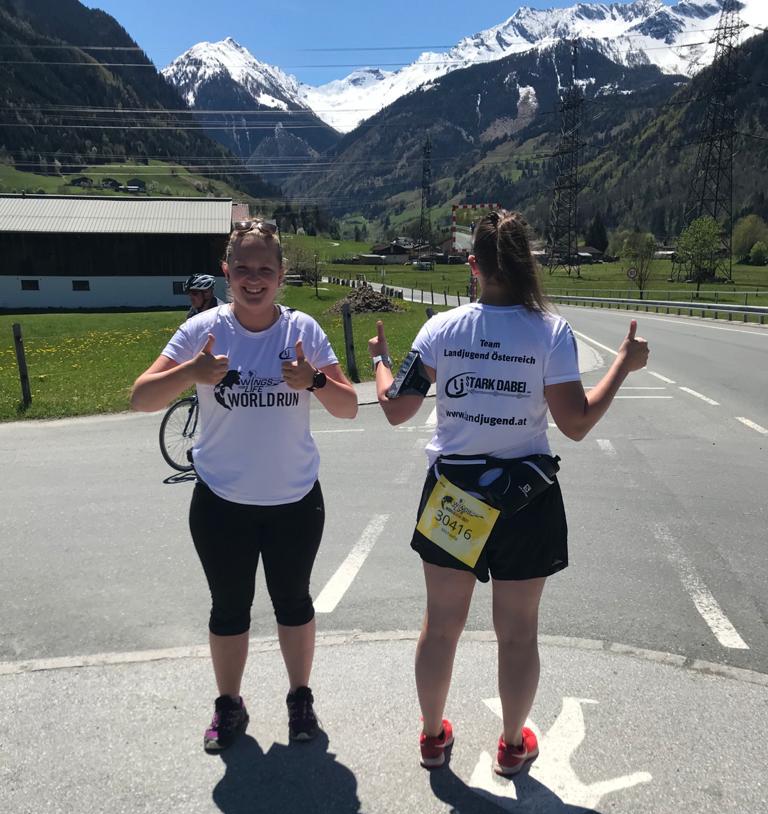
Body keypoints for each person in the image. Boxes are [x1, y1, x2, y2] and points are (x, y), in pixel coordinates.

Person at [368, 209, 649, 773]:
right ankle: (513, 744)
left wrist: (379, 360)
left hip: (455, 494)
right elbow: (575, 423)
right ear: (528, 263)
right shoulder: (551, 332)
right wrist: (622, 364)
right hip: (526, 497)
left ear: (473, 265)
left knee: (440, 627)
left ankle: (432, 738)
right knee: (518, 634)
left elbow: (396, 409)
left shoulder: (441, 330)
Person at [131, 219, 358, 752]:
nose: (253, 279)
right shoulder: (202, 330)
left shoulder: (303, 330)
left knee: (294, 603)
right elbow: (141, 397)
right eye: (243, 269)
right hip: (221, 501)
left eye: (265, 270)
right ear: (225, 272)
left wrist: (314, 381)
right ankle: (229, 704)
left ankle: (300, 697)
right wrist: (190, 373)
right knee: (229, 609)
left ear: (281, 274)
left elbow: (349, 407)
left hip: (294, 500)